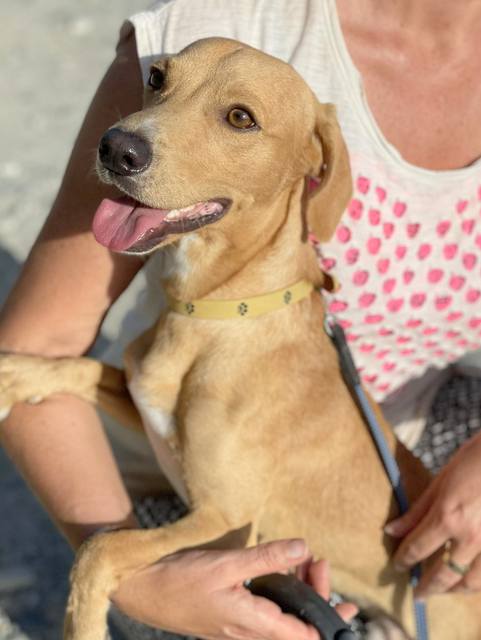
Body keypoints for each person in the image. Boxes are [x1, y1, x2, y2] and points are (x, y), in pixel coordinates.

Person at [1, 0, 481, 637]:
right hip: (186, 477)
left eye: (237, 118)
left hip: (409, 504)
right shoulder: (221, 21)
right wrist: (135, 583)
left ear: (319, 166)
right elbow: (43, 341)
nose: (134, 132)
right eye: (162, 83)